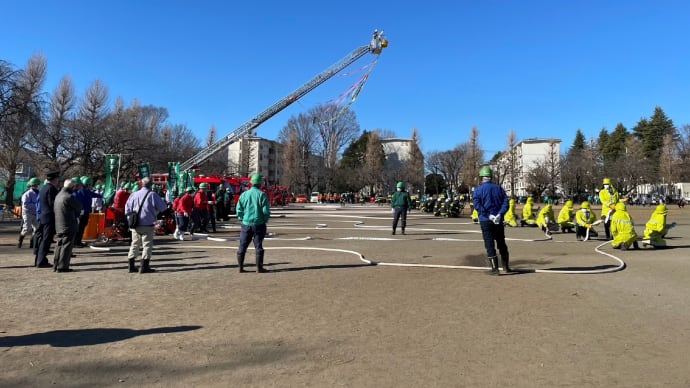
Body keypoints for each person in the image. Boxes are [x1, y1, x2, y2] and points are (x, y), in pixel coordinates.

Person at [124, 177, 168, 273]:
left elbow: (127, 210)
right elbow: (163, 208)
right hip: (147, 223)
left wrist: (130, 219)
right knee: (147, 245)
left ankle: (131, 266)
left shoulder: (134, 194)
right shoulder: (152, 194)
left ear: (141, 184)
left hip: (135, 224)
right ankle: (144, 267)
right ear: (151, 185)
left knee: (134, 244)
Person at [472, 166, 511, 275]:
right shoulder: (499, 188)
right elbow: (506, 203)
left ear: (481, 178)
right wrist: (500, 214)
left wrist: (488, 215)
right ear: (491, 177)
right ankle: (506, 267)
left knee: (489, 243)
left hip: (486, 220)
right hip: (498, 220)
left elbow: (477, 205)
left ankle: (495, 268)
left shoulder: (478, 190)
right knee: (501, 242)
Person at [236, 173, 271, 273]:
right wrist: (265, 219)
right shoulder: (262, 195)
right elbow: (265, 211)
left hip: (246, 224)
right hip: (259, 224)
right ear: (260, 184)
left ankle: (240, 268)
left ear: (251, 183)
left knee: (242, 245)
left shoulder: (244, 194)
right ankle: (259, 268)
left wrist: (242, 219)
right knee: (258, 246)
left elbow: (239, 209)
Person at [53, 178, 83, 272]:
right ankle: (63, 267)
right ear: (72, 187)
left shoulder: (58, 195)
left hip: (59, 224)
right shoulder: (69, 196)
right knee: (66, 246)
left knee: (59, 245)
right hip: (69, 224)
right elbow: (79, 207)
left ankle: (56, 264)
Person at [35, 171, 61, 268]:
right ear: (55, 179)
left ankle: (39, 259)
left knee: (43, 239)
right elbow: (52, 203)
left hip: (43, 216)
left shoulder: (44, 188)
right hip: (49, 217)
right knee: (46, 239)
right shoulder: (51, 189)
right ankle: (41, 261)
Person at [18, 177, 41, 248]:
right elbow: (25, 204)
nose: (37, 186)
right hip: (28, 213)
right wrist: (36, 205)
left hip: (35, 213)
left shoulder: (38, 193)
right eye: (35, 185)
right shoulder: (27, 194)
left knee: (37, 228)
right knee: (27, 228)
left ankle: (32, 242)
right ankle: (20, 240)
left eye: (37, 185)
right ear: (32, 185)